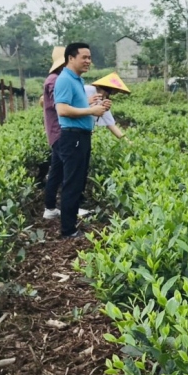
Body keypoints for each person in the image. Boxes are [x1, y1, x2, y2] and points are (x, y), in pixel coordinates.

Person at [54, 42, 109, 239]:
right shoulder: (65, 80)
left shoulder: (76, 79)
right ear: (71, 58)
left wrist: (92, 104)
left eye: (89, 57)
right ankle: (68, 230)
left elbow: (75, 105)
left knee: (78, 182)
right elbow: (62, 110)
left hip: (81, 136)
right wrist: (90, 110)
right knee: (72, 183)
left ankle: (72, 225)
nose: (88, 61)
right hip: (73, 137)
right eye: (84, 57)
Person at [42, 46, 89, 221]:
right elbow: (62, 107)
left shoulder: (54, 79)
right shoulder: (58, 80)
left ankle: (50, 207)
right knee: (72, 176)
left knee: (57, 171)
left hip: (56, 132)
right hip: (62, 132)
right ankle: (70, 213)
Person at [84, 72, 132, 142]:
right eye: (116, 90)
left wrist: (127, 141)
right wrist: (88, 103)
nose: (116, 92)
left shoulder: (103, 101)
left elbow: (111, 124)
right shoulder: (87, 90)